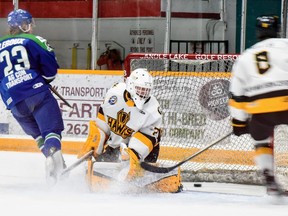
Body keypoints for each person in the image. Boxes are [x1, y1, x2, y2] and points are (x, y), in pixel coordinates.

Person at [78, 68, 182, 193]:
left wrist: (133, 156)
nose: (144, 93)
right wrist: (95, 141)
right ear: (131, 86)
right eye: (141, 89)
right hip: (116, 146)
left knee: (135, 175)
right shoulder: (114, 93)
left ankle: (142, 176)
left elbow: (147, 137)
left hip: (144, 151)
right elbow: (102, 121)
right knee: (98, 167)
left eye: (147, 90)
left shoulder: (153, 109)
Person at [0, 9, 66, 185]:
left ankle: (52, 161)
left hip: (13, 101)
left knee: (39, 136)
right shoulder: (34, 40)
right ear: (23, 25)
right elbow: (51, 68)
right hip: (36, 92)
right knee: (52, 131)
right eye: (29, 22)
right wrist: (41, 80)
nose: (31, 26)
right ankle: (54, 155)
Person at [229, 15, 288, 196]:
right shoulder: (285, 45)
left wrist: (239, 123)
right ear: (277, 30)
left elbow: (237, 94)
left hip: (262, 109)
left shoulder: (246, 56)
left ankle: (270, 180)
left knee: (261, 138)